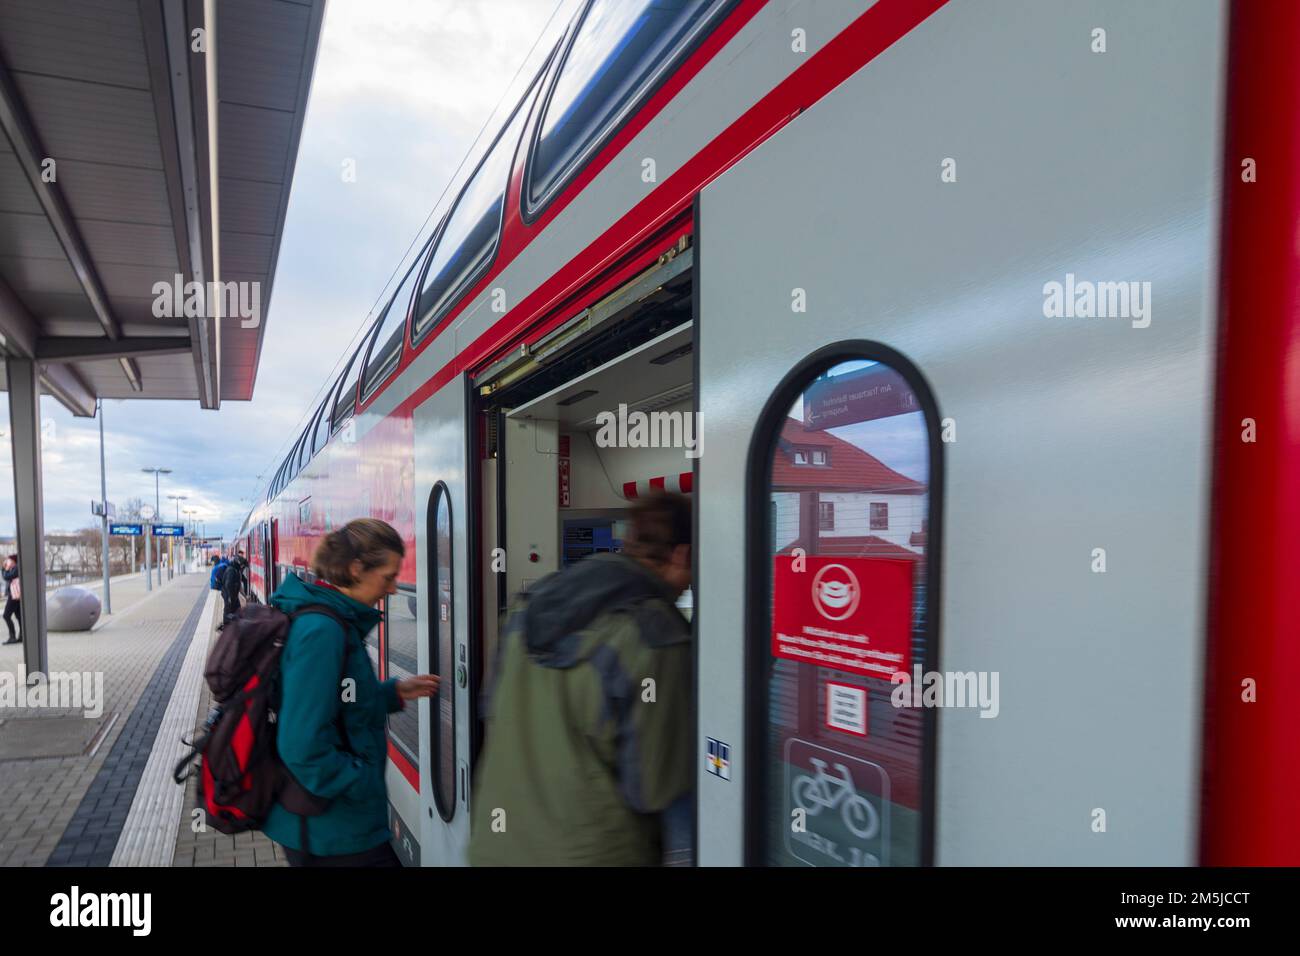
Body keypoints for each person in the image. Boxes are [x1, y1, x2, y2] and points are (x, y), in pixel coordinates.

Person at [469, 490, 694, 866]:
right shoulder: (656, 635)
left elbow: (492, 709)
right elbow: (653, 787)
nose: (689, 584)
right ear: (681, 554)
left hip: (495, 846)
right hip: (590, 854)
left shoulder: (530, 605)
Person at [263, 519, 438, 866]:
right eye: (388, 577)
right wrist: (361, 781)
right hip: (330, 830)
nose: (391, 589)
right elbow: (301, 745)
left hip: (335, 825)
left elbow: (343, 701)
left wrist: (395, 692)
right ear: (357, 568)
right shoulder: (323, 631)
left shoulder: (337, 622)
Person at [220, 550, 247, 624]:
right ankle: (226, 627)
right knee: (228, 610)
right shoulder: (231, 571)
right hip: (228, 594)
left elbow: (239, 585)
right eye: (242, 566)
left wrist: (244, 596)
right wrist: (230, 598)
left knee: (237, 609)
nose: (243, 568)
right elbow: (228, 585)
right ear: (239, 563)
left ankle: (235, 625)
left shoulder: (236, 570)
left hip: (233, 594)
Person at [2, 555, 20, 645]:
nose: (8, 562)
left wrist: (4, 568)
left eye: (10, 560)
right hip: (15, 595)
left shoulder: (16, 567)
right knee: (19, 616)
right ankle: (21, 636)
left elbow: (7, 577)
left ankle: (12, 637)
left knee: (6, 615)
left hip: (14, 595)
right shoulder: (13, 568)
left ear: (14, 561)